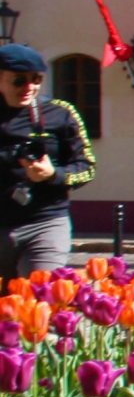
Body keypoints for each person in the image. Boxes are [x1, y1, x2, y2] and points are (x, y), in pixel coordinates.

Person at [0, 47, 91, 276]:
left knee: (40, 297)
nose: (28, 88)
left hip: (45, 223)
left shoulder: (61, 114)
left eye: (36, 79)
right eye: (19, 81)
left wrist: (53, 174)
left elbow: (87, 167)